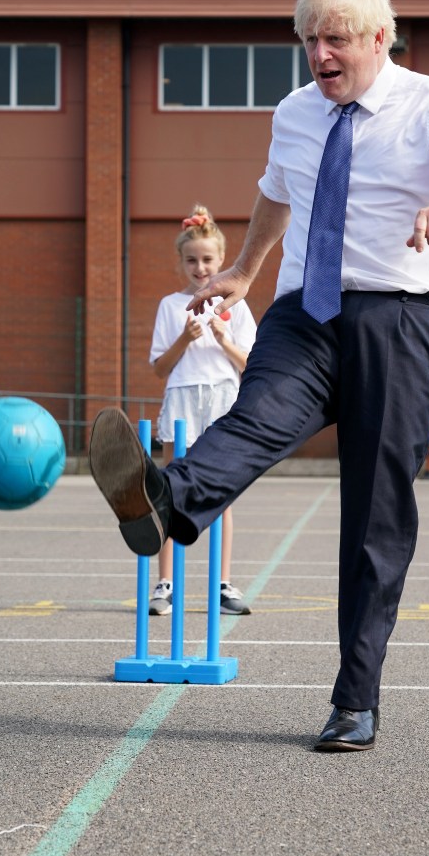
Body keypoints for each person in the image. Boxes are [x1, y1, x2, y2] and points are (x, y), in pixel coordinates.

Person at [89, 0, 429, 752]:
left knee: (374, 517)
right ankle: (165, 499)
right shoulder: (296, 114)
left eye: (336, 39)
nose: (320, 54)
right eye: (310, 39)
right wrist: (243, 269)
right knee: (256, 413)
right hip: (309, 311)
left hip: (402, 317)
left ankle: (355, 701)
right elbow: (278, 191)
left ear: (380, 37)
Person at [148, 205, 257, 616]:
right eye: (192, 260)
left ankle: (222, 584)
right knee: (170, 494)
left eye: (208, 259)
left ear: (221, 260)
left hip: (223, 399)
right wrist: (184, 338)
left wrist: (224, 338)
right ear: (181, 262)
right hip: (183, 398)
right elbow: (159, 367)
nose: (200, 267)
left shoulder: (236, 304)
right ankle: (165, 584)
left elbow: (251, 364)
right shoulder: (170, 306)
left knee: (222, 497)